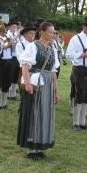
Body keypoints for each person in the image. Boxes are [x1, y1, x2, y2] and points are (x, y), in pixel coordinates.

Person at [17, 21, 60, 159]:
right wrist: (27, 84)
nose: (53, 34)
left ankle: (40, 145)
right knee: (34, 112)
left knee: (45, 114)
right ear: (42, 32)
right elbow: (25, 65)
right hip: (36, 82)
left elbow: (53, 71)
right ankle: (31, 148)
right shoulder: (33, 46)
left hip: (48, 84)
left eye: (54, 32)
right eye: (51, 32)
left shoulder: (52, 49)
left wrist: (56, 91)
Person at [0, 21, 13, 110]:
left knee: (7, 82)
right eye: (2, 29)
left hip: (9, 60)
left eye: (5, 28)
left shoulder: (7, 37)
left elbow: (12, 48)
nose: (4, 30)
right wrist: (7, 45)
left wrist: (12, 44)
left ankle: (4, 104)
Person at [7, 20, 22, 100]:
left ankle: (13, 94)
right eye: (13, 26)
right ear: (9, 27)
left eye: (15, 27)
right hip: (10, 57)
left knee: (16, 76)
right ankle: (8, 94)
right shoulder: (7, 34)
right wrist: (17, 36)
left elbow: (19, 45)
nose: (14, 28)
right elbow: (11, 44)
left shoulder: (16, 34)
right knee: (10, 75)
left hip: (17, 56)